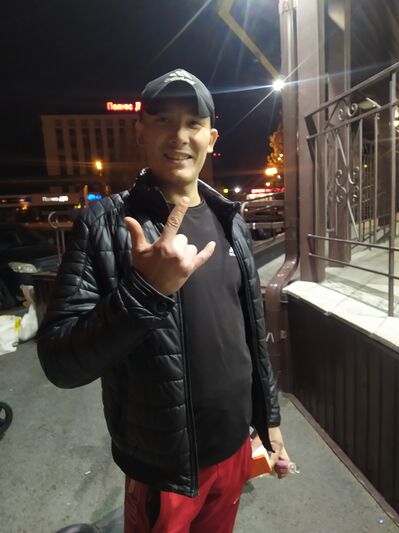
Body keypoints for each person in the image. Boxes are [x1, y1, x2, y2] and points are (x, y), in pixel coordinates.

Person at [37, 68, 291, 533]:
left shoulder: (231, 220)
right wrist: (146, 289)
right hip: (164, 468)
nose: (179, 136)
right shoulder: (103, 224)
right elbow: (59, 362)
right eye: (163, 121)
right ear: (141, 132)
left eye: (193, 123)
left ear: (211, 138)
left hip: (236, 447)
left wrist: (268, 422)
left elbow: (252, 334)